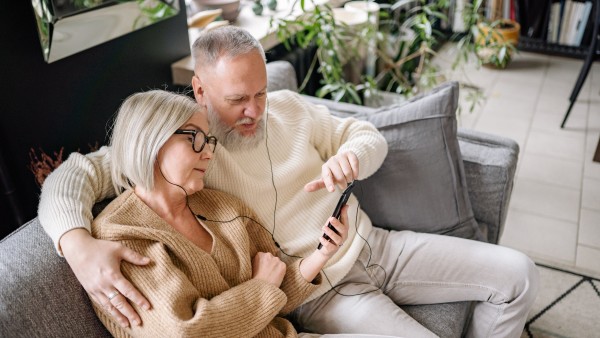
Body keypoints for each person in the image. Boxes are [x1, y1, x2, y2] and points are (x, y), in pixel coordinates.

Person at [39, 26, 539, 337]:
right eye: (237, 99)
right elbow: (75, 174)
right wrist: (76, 243)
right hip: (323, 291)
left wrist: (351, 157)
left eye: (260, 92)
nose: (254, 110)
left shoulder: (290, 110)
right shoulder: (182, 148)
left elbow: (365, 134)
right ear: (199, 88)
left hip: (377, 246)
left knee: (517, 274)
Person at [85, 89, 350, 337]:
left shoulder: (222, 206)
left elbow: (274, 291)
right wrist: (261, 286)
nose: (209, 153)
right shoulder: (120, 235)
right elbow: (187, 331)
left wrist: (322, 253)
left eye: (209, 140)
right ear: (153, 141)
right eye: (196, 139)